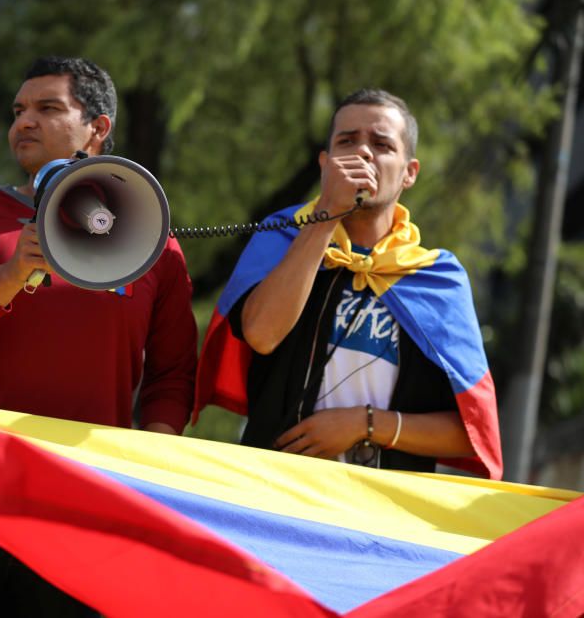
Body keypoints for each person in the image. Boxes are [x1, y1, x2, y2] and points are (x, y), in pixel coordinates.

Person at [0, 56, 198, 615]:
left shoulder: (153, 244)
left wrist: (149, 474)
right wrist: (8, 277)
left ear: (98, 128)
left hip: (85, 505)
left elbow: (174, 374)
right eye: (18, 111)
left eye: (47, 108)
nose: (23, 123)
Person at [195, 88, 503, 479]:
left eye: (381, 144)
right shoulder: (283, 236)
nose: (363, 153)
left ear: (409, 172)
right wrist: (324, 215)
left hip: (380, 515)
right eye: (347, 141)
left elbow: (469, 432)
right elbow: (261, 334)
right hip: (272, 490)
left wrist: (366, 424)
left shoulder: (435, 278)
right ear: (326, 163)